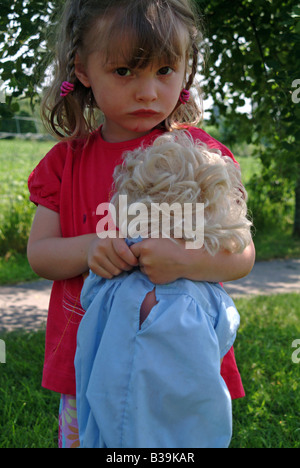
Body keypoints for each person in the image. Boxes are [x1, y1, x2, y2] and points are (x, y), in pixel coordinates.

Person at [27, 0, 255, 448]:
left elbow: (241, 254)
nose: (148, 92)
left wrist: (184, 259)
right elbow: (40, 254)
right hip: (86, 363)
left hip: (181, 362)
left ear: (187, 70)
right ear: (84, 69)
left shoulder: (202, 158)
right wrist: (92, 247)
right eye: (125, 72)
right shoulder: (64, 164)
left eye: (165, 70)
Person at [75, 131, 252, 448]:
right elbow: (221, 335)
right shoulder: (199, 298)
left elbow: (89, 303)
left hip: (103, 426)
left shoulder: (115, 277)